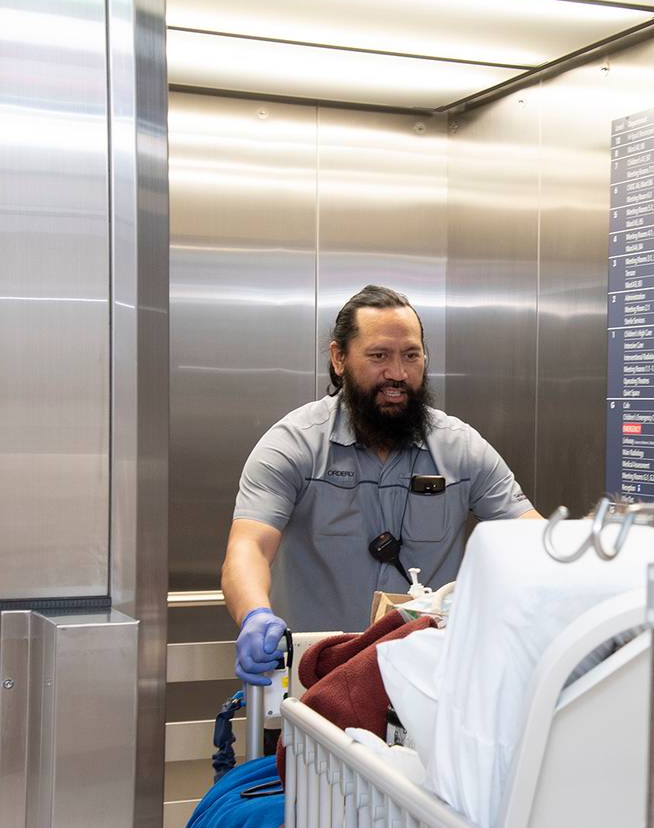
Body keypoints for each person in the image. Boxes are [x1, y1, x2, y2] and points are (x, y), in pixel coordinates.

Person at [221, 284, 539, 685]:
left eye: (411, 355)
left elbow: (530, 536)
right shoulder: (295, 443)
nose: (398, 374)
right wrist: (255, 614)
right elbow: (249, 545)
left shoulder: (461, 448)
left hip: (428, 683)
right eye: (378, 356)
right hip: (314, 682)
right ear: (339, 359)